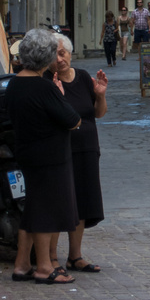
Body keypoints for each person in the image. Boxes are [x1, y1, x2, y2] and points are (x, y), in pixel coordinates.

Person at [4, 28, 81, 285]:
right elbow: (73, 121)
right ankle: (45, 267)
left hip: (27, 153)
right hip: (50, 157)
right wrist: (60, 97)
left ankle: (22, 264)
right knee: (47, 211)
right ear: (46, 57)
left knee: (33, 208)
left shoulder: (14, 83)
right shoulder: (44, 87)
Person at [53, 35, 108, 273]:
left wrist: (102, 94)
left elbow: (98, 113)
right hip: (62, 150)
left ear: (71, 53)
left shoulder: (84, 78)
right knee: (61, 201)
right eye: (54, 54)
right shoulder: (50, 81)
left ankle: (74, 256)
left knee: (83, 202)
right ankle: (52, 258)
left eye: (63, 52)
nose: (60, 58)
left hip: (87, 147)